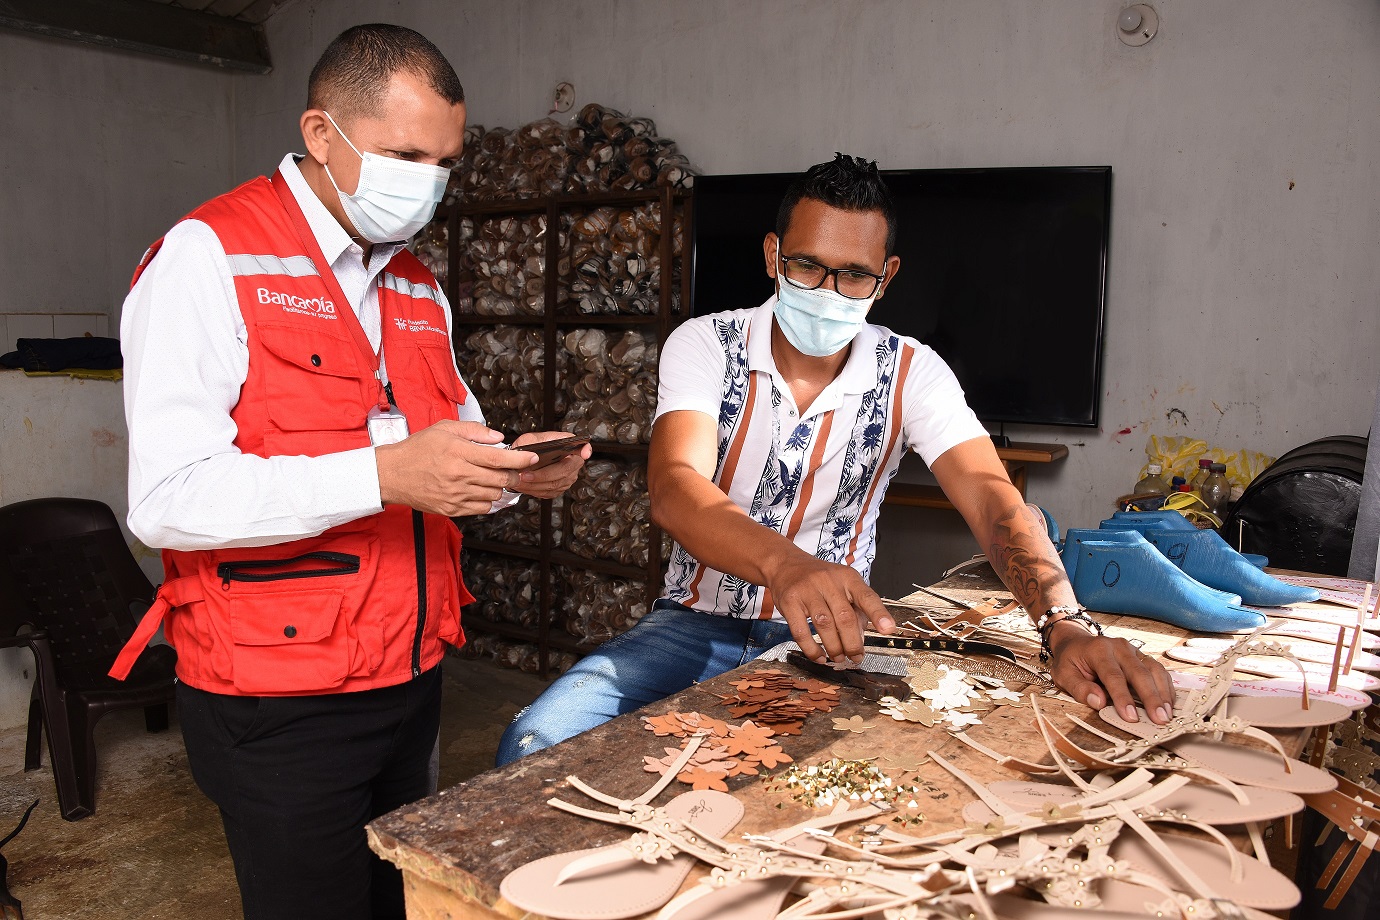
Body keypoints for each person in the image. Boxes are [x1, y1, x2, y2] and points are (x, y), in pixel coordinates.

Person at [110, 24, 589, 920]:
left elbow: (446, 445)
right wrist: (381, 476)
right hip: (277, 699)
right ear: (321, 134)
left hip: (407, 675)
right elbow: (167, 500)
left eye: (444, 161)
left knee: (399, 902)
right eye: (405, 154)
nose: (428, 183)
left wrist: (511, 468)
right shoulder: (208, 257)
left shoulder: (416, 285)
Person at [497, 153, 1174, 766]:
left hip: (828, 640)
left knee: (801, 782)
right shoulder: (705, 345)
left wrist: (1064, 625)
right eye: (806, 265)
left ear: (887, 278)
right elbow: (675, 487)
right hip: (690, 626)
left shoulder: (913, 372)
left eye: (853, 275)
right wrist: (788, 564)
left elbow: (993, 498)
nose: (826, 289)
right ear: (772, 255)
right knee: (534, 742)